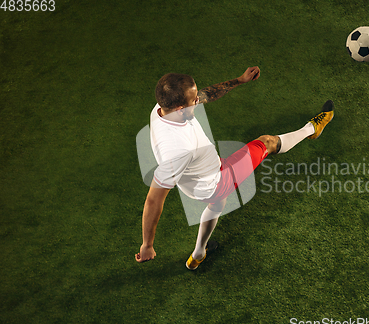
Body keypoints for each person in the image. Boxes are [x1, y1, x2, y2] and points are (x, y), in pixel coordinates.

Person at [135, 66, 334, 270]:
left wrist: (240, 80)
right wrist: (147, 245)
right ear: (179, 108)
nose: (198, 101)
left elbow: (205, 95)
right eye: (193, 101)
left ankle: (198, 255)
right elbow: (153, 200)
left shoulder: (162, 108)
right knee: (266, 142)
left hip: (199, 177)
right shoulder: (176, 150)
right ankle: (312, 129)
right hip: (216, 180)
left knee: (217, 204)